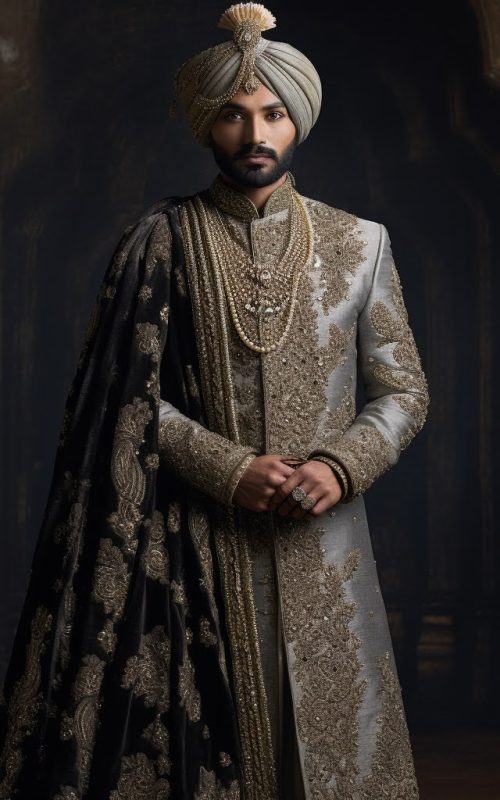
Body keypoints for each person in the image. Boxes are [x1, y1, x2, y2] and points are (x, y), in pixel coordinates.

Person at [0, 3, 429, 799]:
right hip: (195, 547)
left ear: (297, 121)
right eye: (233, 115)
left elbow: (403, 390)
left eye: (272, 114)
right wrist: (227, 469)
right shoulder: (158, 241)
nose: (254, 134)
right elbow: (120, 399)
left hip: (329, 545)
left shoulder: (361, 243)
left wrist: (340, 466)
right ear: (207, 126)